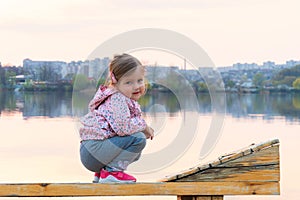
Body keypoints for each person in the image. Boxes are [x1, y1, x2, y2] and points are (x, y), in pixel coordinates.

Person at [79, 53, 154, 183]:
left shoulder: (120, 97)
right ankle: (111, 173)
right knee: (139, 139)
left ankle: (102, 172)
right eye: (128, 82)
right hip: (93, 152)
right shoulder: (117, 98)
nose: (136, 86)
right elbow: (123, 128)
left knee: (135, 150)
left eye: (139, 80)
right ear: (115, 83)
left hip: (92, 152)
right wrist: (144, 127)